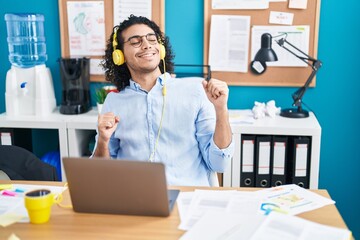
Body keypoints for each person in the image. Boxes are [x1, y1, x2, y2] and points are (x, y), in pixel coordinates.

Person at [92, 15, 234, 186]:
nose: (147, 45)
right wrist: (103, 140)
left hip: (186, 200)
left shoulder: (196, 90)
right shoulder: (113, 102)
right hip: (135, 200)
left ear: (161, 48)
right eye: (135, 41)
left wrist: (221, 110)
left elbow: (220, 164)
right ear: (119, 55)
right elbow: (101, 174)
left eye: (152, 39)